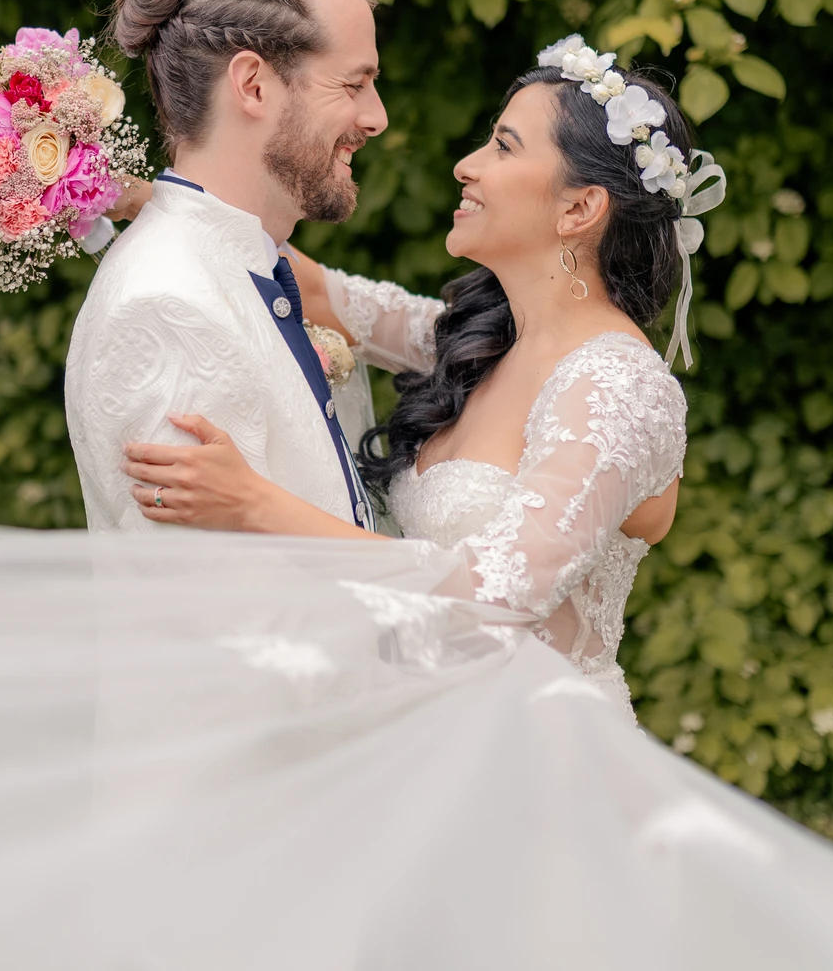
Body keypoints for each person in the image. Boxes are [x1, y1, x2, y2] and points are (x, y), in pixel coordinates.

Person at [118, 36, 726, 715]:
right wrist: (118, 192)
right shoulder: (485, 342)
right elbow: (323, 292)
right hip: (427, 730)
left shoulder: (620, 385)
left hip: (535, 760)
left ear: (579, 209)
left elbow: (496, 594)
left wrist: (255, 504)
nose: (466, 166)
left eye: (503, 146)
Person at [65, 0, 387, 533]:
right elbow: (211, 611)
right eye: (352, 85)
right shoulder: (166, 307)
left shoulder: (239, 262)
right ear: (254, 85)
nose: (376, 117)